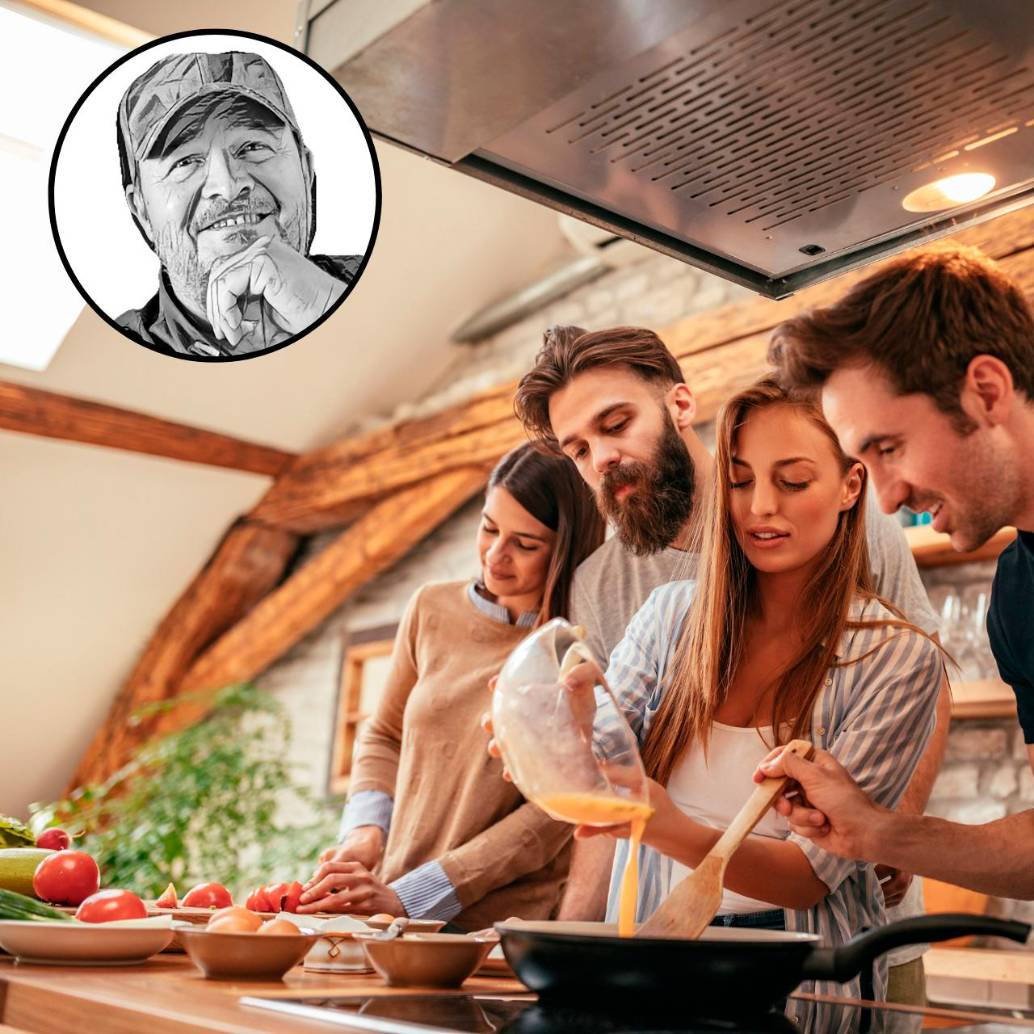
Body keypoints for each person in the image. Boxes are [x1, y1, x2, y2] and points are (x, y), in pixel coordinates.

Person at [512, 324, 951, 1003]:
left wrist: (892, 829)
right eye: (578, 449)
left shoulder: (851, 525)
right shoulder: (609, 583)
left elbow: (920, 681)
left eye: (616, 423)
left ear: (680, 405)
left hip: (846, 937)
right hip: (674, 937)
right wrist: (577, 943)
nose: (602, 457)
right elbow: (611, 764)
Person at [755, 245, 1034, 900]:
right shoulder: (1017, 599)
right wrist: (873, 831)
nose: (883, 498)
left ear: (985, 391)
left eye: (888, 448)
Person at [298, 444, 604, 928]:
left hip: (499, 929)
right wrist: (364, 833)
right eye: (488, 528)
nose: (496, 557)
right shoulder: (430, 609)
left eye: (525, 544)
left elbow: (553, 815)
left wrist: (414, 897)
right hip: (388, 905)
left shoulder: (579, 646)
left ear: (568, 549)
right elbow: (384, 735)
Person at [116, 51, 362, 358]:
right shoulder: (114, 356)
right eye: (185, 162)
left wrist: (324, 309)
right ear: (141, 212)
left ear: (306, 170)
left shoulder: (389, 284)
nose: (228, 187)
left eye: (254, 146)